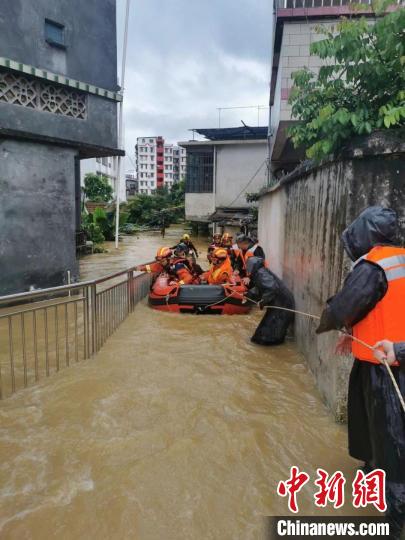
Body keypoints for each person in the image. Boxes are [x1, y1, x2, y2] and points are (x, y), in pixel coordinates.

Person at [315, 206, 405, 537]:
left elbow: (343, 307)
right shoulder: (398, 260)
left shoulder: (372, 267)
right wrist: (350, 333)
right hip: (378, 359)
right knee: (366, 422)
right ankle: (370, 469)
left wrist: (330, 322)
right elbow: (380, 306)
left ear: (365, 235)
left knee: (391, 440)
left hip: (387, 370)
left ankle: (394, 518)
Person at [244, 257, 294, 345]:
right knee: (261, 335)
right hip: (281, 304)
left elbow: (271, 288)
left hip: (282, 306)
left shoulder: (261, 273)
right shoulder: (260, 273)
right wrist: (248, 295)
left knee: (265, 338)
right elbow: (260, 288)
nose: (246, 268)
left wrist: (262, 301)